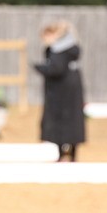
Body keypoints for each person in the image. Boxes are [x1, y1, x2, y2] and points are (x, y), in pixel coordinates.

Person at [33, 21, 86, 162]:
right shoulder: (68, 49)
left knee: (62, 122)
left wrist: (40, 68)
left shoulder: (59, 50)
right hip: (71, 92)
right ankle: (70, 154)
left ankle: (64, 154)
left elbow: (56, 69)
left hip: (60, 94)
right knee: (72, 121)